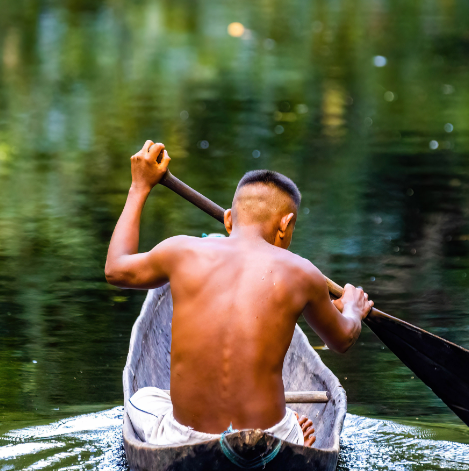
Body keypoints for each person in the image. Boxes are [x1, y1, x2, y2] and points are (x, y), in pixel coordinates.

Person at [105, 141, 373, 448]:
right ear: (285, 224)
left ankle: (271, 430)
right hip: (271, 438)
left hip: (186, 437)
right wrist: (352, 309)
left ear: (229, 219)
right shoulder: (302, 273)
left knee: (142, 398)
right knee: (288, 425)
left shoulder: (180, 250)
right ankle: (290, 431)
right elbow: (342, 339)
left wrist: (139, 187)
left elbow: (116, 269)